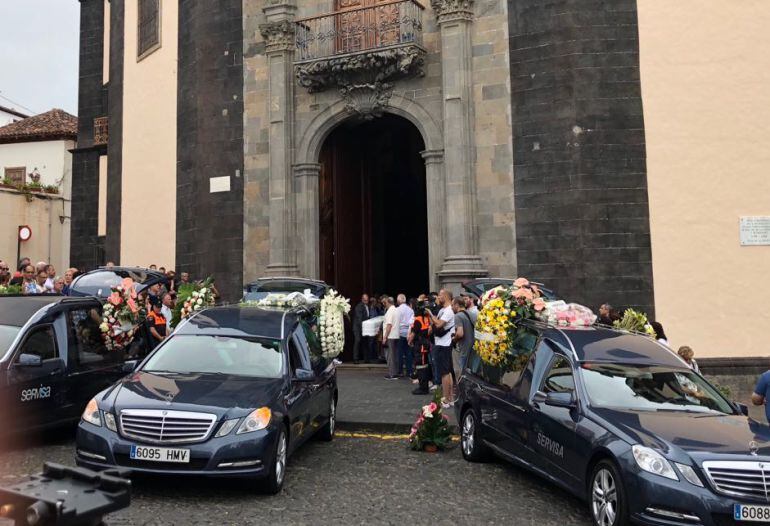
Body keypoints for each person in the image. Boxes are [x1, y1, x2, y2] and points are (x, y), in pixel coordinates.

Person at [427, 289, 455, 407]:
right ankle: (450, 397)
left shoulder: (449, 311)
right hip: (440, 343)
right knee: (446, 372)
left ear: (445, 296)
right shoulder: (442, 309)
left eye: (440, 295)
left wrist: (430, 314)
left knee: (444, 373)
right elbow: (433, 325)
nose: (438, 297)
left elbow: (438, 324)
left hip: (444, 344)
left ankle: (447, 399)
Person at [409, 300, 433, 395]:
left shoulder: (418, 320)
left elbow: (413, 334)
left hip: (420, 346)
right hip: (425, 344)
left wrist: (410, 341)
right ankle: (424, 386)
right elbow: (430, 329)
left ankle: (423, 388)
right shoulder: (427, 318)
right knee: (424, 365)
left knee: (421, 366)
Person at [452, 297, 475, 379]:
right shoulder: (471, 313)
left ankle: (462, 391)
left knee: (462, 373)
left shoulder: (458, 316)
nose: (451, 307)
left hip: (464, 348)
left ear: (457, 305)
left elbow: (460, 333)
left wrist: (454, 340)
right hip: (473, 347)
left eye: (452, 305)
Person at [396, 293, 414, 378]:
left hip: (399, 333)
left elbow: (396, 323)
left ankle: (400, 371)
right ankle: (409, 371)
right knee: (408, 353)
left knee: (399, 353)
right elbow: (412, 322)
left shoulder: (397, 310)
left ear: (399, 300)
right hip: (408, 333)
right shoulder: (410, 310)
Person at [382, 296, 400, 380]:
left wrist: (385, 337)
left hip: (390, 335)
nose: (384, 304)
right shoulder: (396, 310)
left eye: (384, 303)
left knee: (390, 356)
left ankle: (392, 374)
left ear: (388, 302)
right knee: (395, 355)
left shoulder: (390, 311)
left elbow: (389, 325)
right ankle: (396, 372)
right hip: (396, 335)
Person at [352, 293, 370, 364]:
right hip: (358, 328)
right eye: (365, 300)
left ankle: (366, 359)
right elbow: (359, 318)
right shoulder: (359, 306)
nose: (366, 301)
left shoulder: (367, 306)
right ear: (362, 299)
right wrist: (363, 328)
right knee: (358, 341)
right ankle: (355, 359)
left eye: (367, 300)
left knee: (365, 342)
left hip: (364, 327)